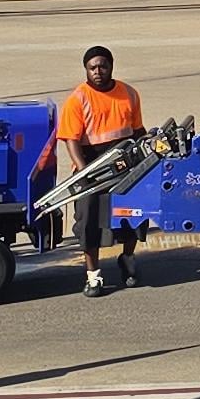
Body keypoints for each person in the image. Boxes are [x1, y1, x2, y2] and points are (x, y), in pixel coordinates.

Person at [57, 44, 144, 295]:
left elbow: (138, 132)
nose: (97, 71)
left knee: (135, 214)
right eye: (92, 67)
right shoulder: (78, 99)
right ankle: (93, 275)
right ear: (86, 70)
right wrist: (86, 173)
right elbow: (71, 140)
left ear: (111, 67)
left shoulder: (128, 93)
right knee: (88, 220)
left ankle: (128, 258)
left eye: (102, 66)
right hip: (92, 167)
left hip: (124, 165)